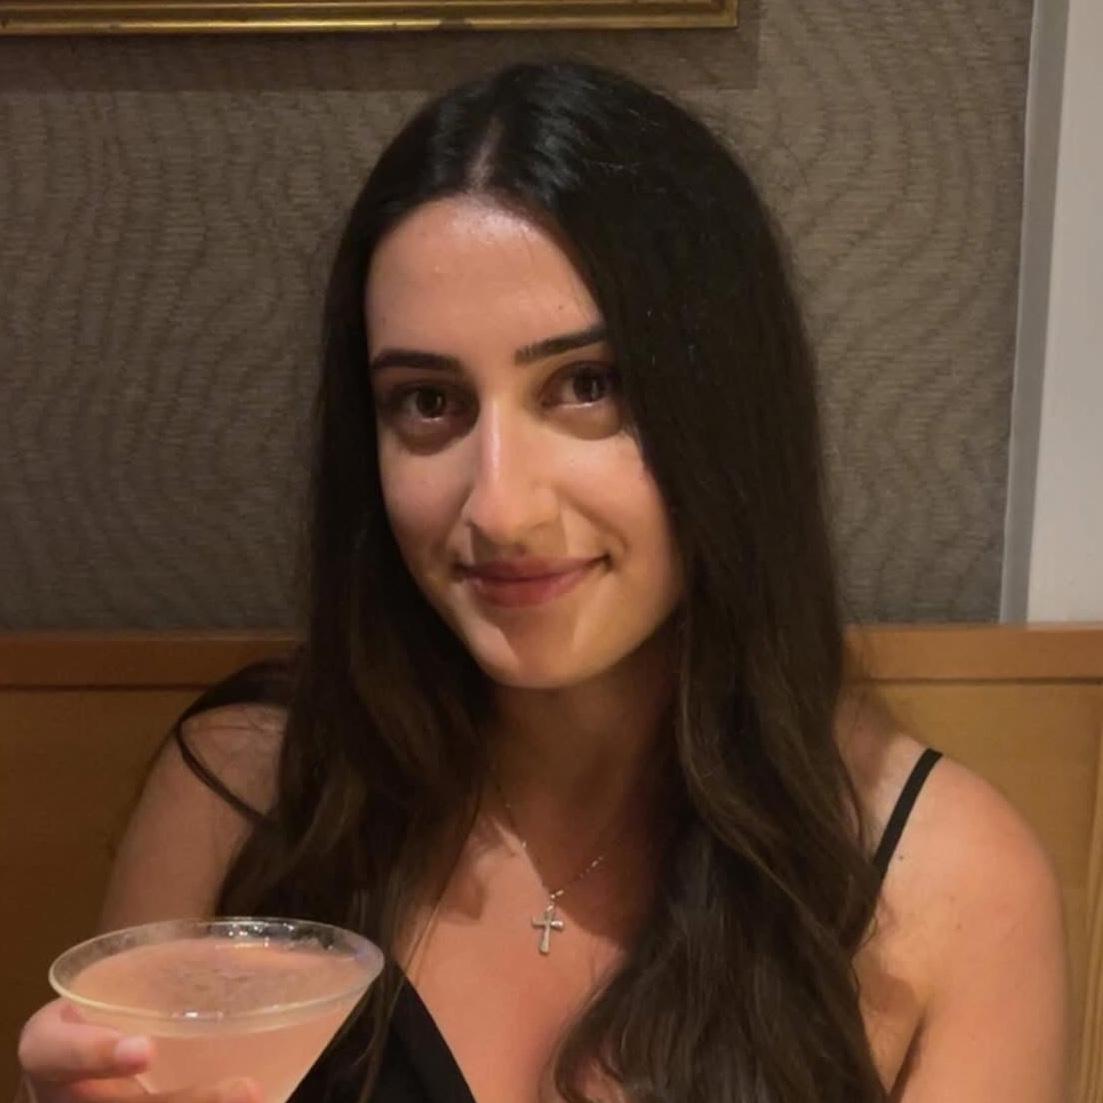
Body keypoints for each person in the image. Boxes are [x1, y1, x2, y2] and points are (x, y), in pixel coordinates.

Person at [18, 59, 1068, 1103]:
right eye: (428, 401)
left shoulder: (948, 884)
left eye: (586, 385)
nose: (500, 508)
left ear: (725, 410)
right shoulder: (246, 792)